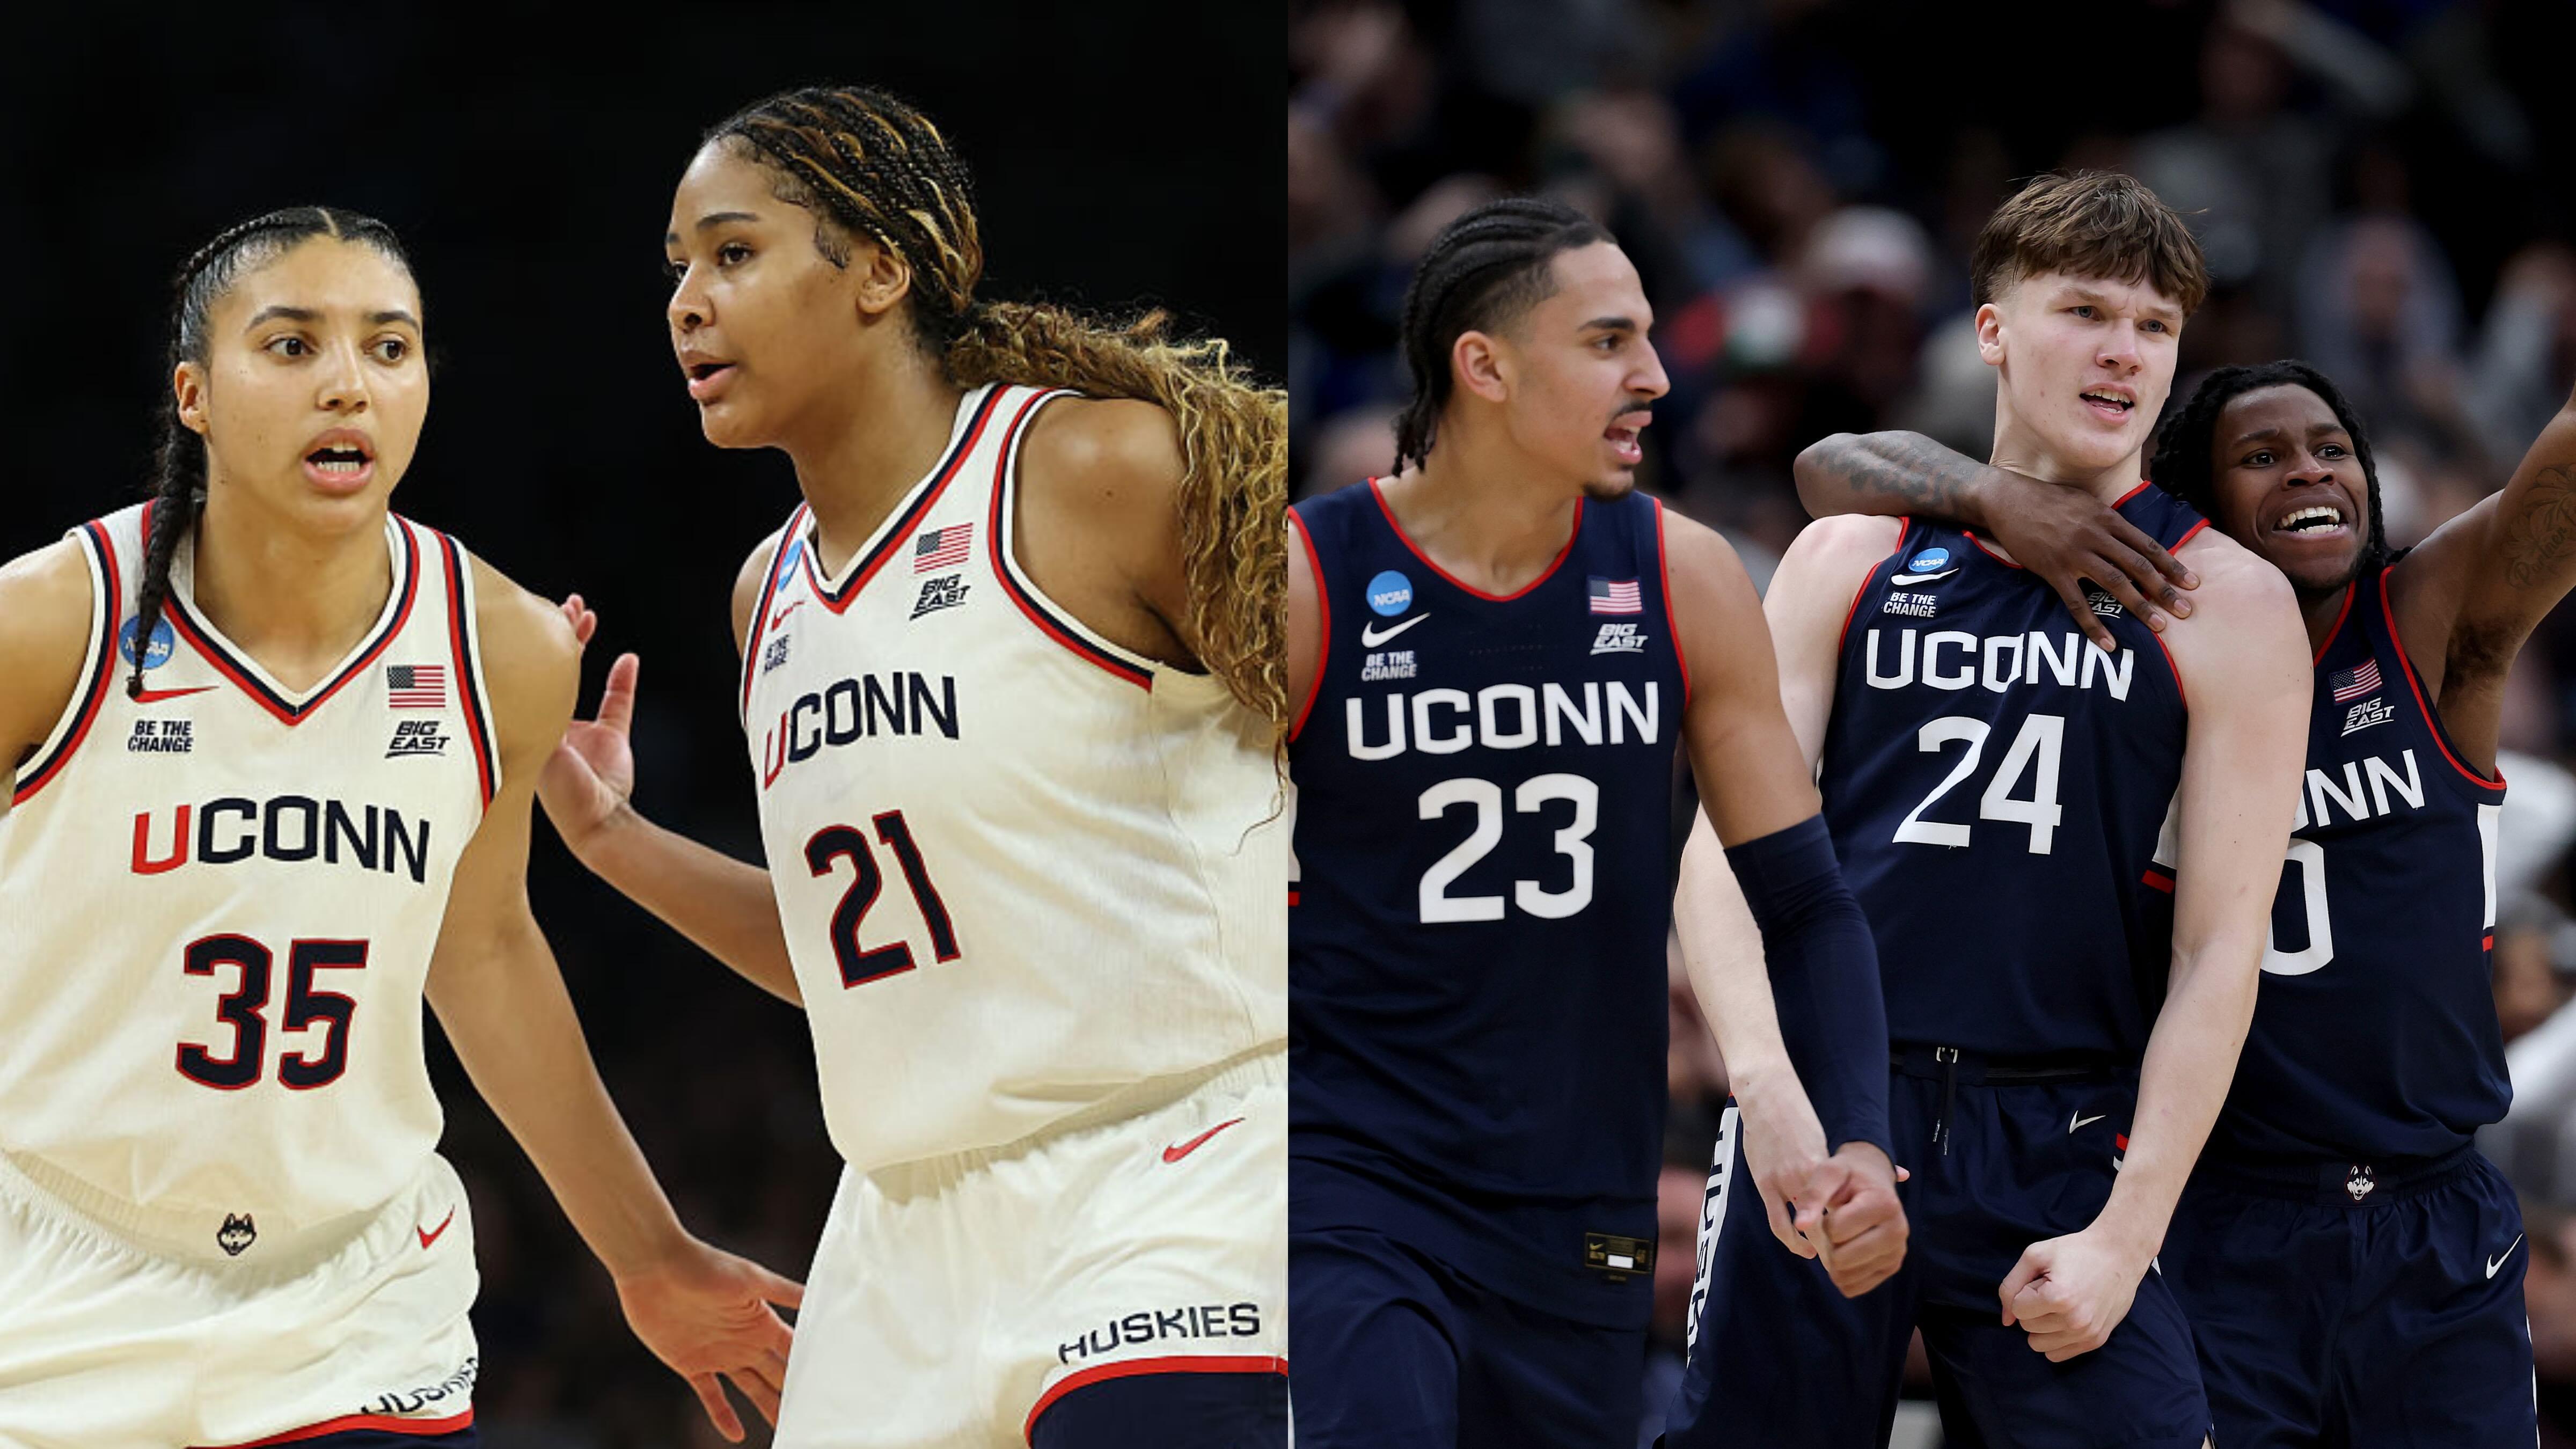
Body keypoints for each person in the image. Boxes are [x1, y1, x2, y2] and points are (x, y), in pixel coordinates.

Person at [536, 86, 1288, 1448]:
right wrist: (612, 842)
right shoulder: (768, 594)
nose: (688, 304)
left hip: (1177, 1169)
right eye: (679, 269)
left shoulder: (1091, 469)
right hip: (901, 1236)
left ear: (880, 270)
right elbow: (863, 966)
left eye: (734, 253)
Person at [0, 207, 797, 1448]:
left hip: (356, 1304)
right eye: (291, 346)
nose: (348, 386)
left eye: (389, 347)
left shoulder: (504, 646)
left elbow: (482, 951)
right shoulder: (50, 625)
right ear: (194, 395)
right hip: (54, 1278)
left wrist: (648, 1254)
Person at [1795, 353, 2576, 1445]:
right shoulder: (2128, 644)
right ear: (2191, 508)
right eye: (2263, 456)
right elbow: (1829, 468)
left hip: (2433, 1213)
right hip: (2210, 1211)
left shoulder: (2423, 625)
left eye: (2332, 448)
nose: (2310, 471)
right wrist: (1996, 495)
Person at [1665, 171, 2311, 1449]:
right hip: (1837, 1101)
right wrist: (1770, 1095)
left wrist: (2128, 1233)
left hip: (2065, 1129)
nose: (2124, 350)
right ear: (1993, 330)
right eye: (2086, 312)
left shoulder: (2225, 600)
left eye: (2155, 326)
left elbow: (2222, 952)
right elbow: (1723, 854)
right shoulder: (1854, 554)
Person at [1287, 194, 1903, 1449]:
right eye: (1610, 342)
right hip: (1353, 1178)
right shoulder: (1307, 576)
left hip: (1583, 1195)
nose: (1657, 377)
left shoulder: (1681, 573)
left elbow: (1803, 900)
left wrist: (1857, 1134)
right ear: (1487, 367)